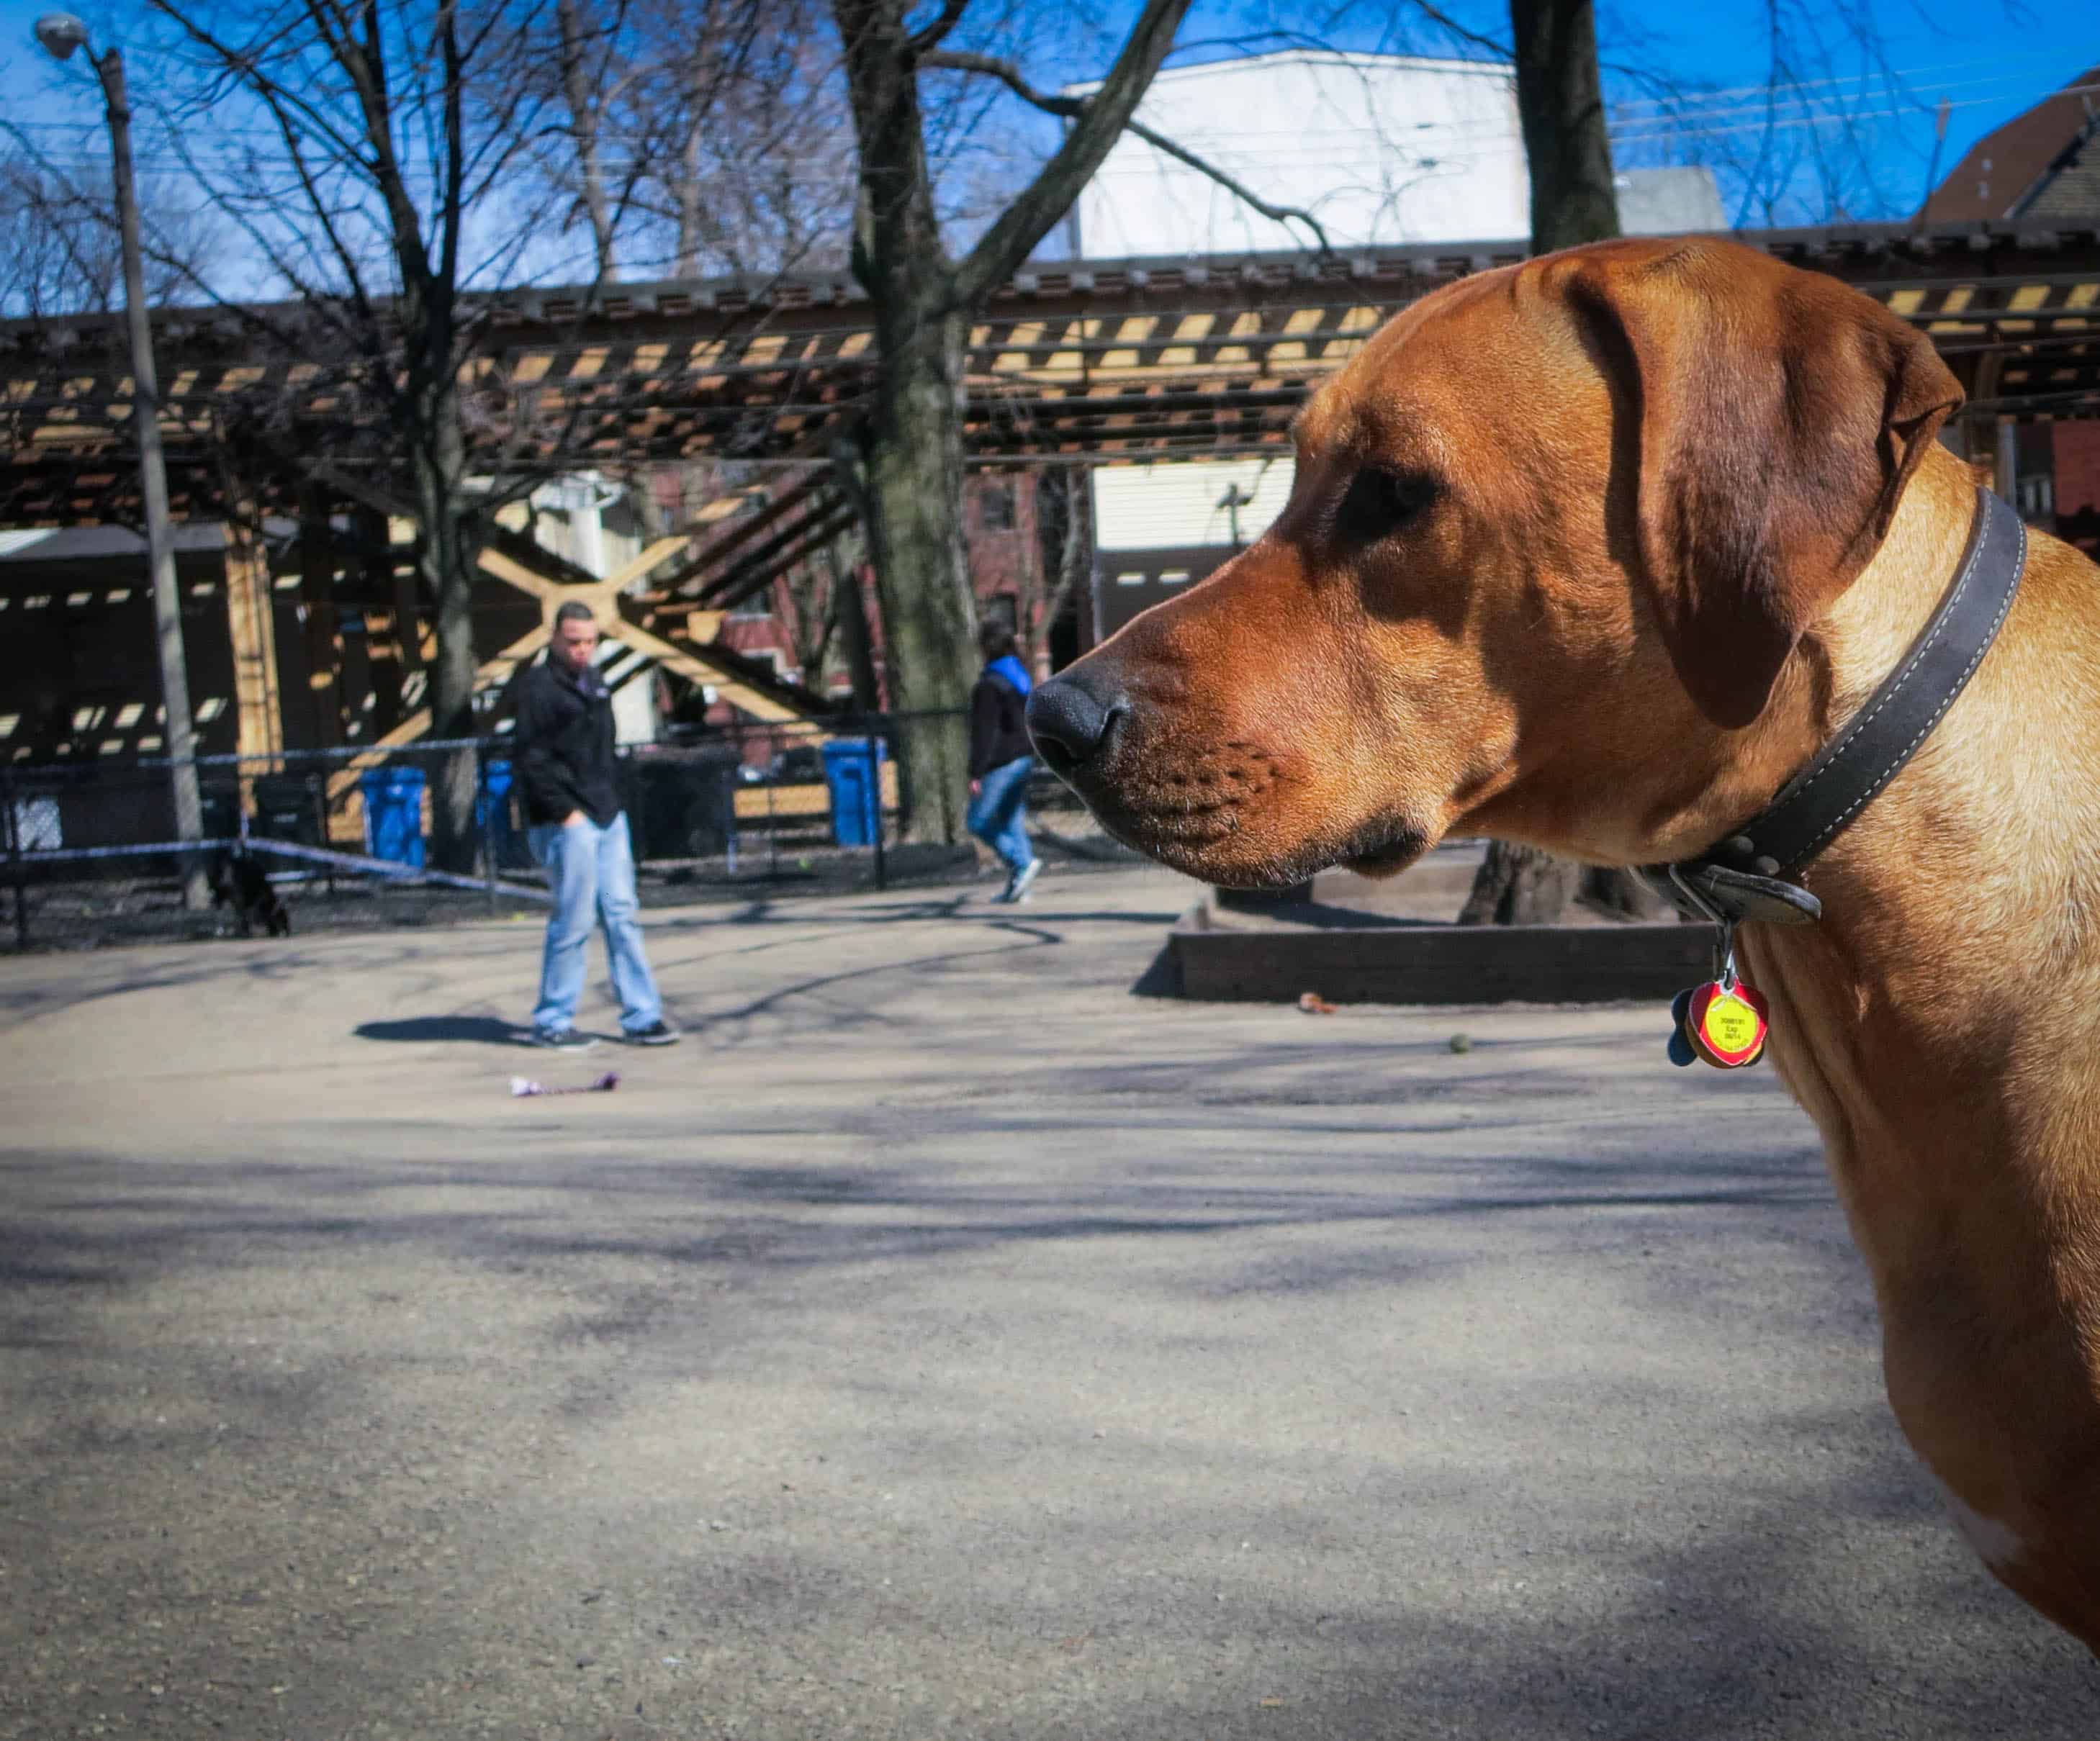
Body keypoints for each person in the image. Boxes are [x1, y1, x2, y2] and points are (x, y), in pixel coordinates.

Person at [513, 601, 680, 1050]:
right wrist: (567, 815)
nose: (583, 650)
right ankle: (552, 1020)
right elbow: (530, 761)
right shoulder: (537, 689)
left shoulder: (595, 682)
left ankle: (643, 1016)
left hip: (607, 815)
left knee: (622, 915)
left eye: (590, 641)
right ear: (554, 638)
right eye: (574, 641)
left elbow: (601, 750)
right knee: (575, 918)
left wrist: (612, 805)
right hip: (566, 822)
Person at [967, 623, 1042, 904]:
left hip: (1001, 762)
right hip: (1024, 757)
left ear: (986, 648)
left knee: (977, 821)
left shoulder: (989, 685)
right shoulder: (1020, 678)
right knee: (1011, 820)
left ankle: (1021, 862)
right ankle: (1020, 889)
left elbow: (984, 732)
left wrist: (976, 772)